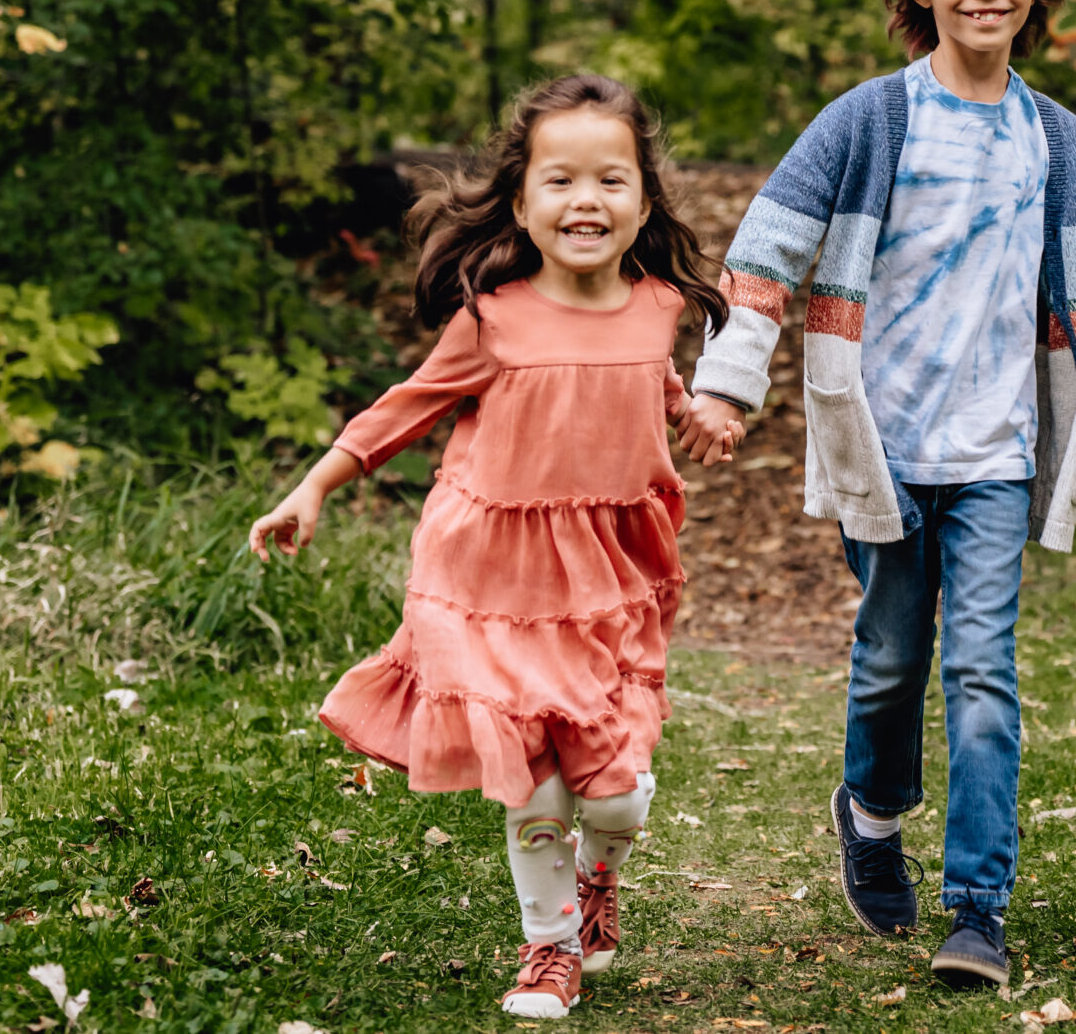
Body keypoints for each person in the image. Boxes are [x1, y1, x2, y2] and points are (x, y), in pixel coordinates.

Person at [675, 0, 1076, 989]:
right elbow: (765, 259)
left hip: (995, 454)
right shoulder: (868, 120)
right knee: (887, 662)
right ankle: (870, 811)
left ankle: (979, 911)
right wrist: (727, 384)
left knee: (982, 672)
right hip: (877, 443)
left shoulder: (1057, 142)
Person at [248, 74, 740, 1021]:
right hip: (490, 574)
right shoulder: (494, 316)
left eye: (610, 180)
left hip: (611, 576)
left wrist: (696, 416)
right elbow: (408, 407)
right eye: (559, 181)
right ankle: (549, 946)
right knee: (536, 781)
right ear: (521, 202)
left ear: (644, 202)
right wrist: (315, 483)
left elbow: (648, 389)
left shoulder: (656, 307)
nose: (585, 200)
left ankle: (600, 886)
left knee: (619, 796)